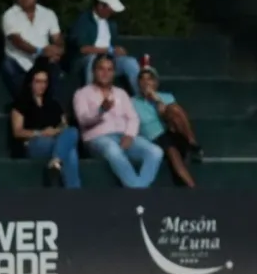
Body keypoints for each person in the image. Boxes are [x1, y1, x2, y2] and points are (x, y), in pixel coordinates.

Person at [73, 54, 164, 188]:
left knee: (156, 151)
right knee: (112, 149)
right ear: (94, 71)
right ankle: (137, 189)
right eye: (101, 69)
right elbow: (83, 121)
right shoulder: (82, 93)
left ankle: (139, 186)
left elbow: (133, 118)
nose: (105, 73)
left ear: (114, 73)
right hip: (97, 139)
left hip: (123, 136)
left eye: (109, 69)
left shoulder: (121, 93)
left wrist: (129, 135)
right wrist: (101, 111)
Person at [10, 62, 81, 188]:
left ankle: (55, 162)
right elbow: (17, 131)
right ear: (30, 82)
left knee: (73, 132)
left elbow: (64, 125)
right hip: (34, 143)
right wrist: (41, 133)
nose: (42, 85)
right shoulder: (20, 104)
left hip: (55, 140)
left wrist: (56, 130)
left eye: (45, 82)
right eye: (38, 81)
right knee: (69, 149)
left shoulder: (53, 104)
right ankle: (75, 190)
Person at [131, 65, 203, 188]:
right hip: (154, 137)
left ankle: (192, 143)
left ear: (156, 82)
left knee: (173, 109)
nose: (146, 82)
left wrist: (157, 100)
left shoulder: (166, 96)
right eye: (142, 79)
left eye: (150, 79)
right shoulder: (132, 101)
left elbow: (169, 117)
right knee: (171, 149)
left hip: (171, 130)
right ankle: (192, 187)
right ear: (138, 83)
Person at [67, 0, 141, 95]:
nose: (112, 12)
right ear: (100, 6)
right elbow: (83, 49)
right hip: (86, 60)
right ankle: (91, 97)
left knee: (130, 62)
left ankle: (141, 97)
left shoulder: (111, 24)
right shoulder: (83, 20)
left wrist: (117, 50)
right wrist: (109, 50)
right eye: (110, 9)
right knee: (93, 60)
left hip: (109, 59)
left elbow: (113, 47)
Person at [0, 0, 64, 99]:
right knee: (7, 66)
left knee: (55, 68)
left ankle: (49, 105)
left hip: (43, 60)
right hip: (18, 60)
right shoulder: (9, 15)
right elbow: (16, 41)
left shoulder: (48, 14)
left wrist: (58, 50)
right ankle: (25, 103)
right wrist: (40, 51)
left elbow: (57, 37)